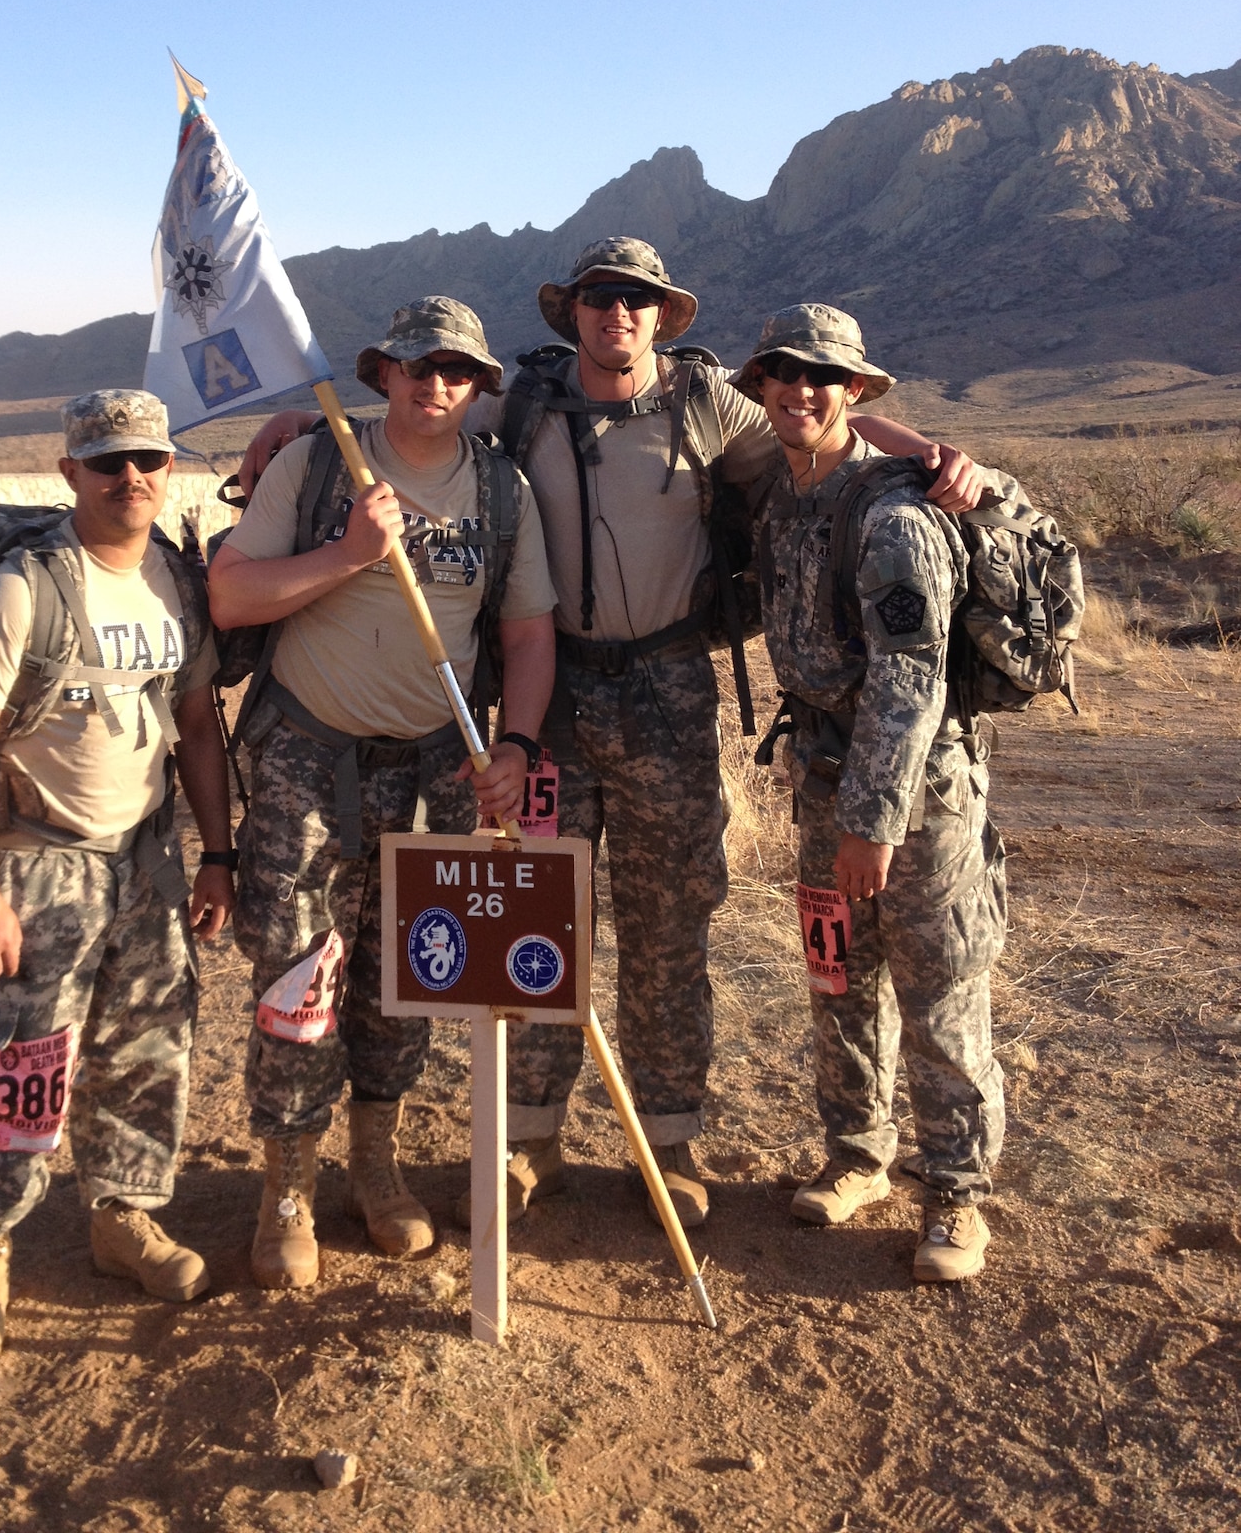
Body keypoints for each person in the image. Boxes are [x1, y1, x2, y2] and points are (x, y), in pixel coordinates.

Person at [239, 240, 981, 1233]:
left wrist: (927, 452)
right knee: (533, 917)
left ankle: (667, 1142)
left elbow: (822, 427)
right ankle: (528, 1136)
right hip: (555, 705)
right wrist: (294, 426)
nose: (617, 313)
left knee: (670, 926)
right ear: (573, 312)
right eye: (599, 297)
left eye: (636, 299)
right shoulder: (524, 403)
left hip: (671, 691)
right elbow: (419, 412)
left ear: (662, 315)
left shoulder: (710, 403)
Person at [206, 297, 556, 1290]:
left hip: (433, 764)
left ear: (478, 385)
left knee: (408, 974)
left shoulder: (501, 488)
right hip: (309, 758)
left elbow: (527, 636)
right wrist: (348, 554)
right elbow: (231, 594)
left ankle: (375, 1164)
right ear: (382, 373)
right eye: (416, 364)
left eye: (456, 370)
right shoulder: (319, 467)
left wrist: (517, 743)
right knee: (298, 974)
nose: (434, 383)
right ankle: (286, 1189)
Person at [0, 390, 234, 1370]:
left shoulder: (174, 581)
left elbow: (194, 727)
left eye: (147, 458)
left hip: (144, 854)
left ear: (168, 467)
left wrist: (216, 850)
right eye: (108, 462)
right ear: (70, 473)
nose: (131, 476)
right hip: (39, 855)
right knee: (24, 1062)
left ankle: (124, 1218)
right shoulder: (18, 590)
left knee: (148, 1048)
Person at [738, 305, 1007, 1281]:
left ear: (854, 390)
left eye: (824, 376)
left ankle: (956, 1195)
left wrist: (871, 819)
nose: (801, 389)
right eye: (784, 372)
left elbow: (911, 676)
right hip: (821, 778)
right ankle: (858, 1154)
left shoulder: (891, 511)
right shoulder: (783, 497)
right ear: (762, 384)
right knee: (837, 978)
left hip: (917, 796)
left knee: (939, 994)